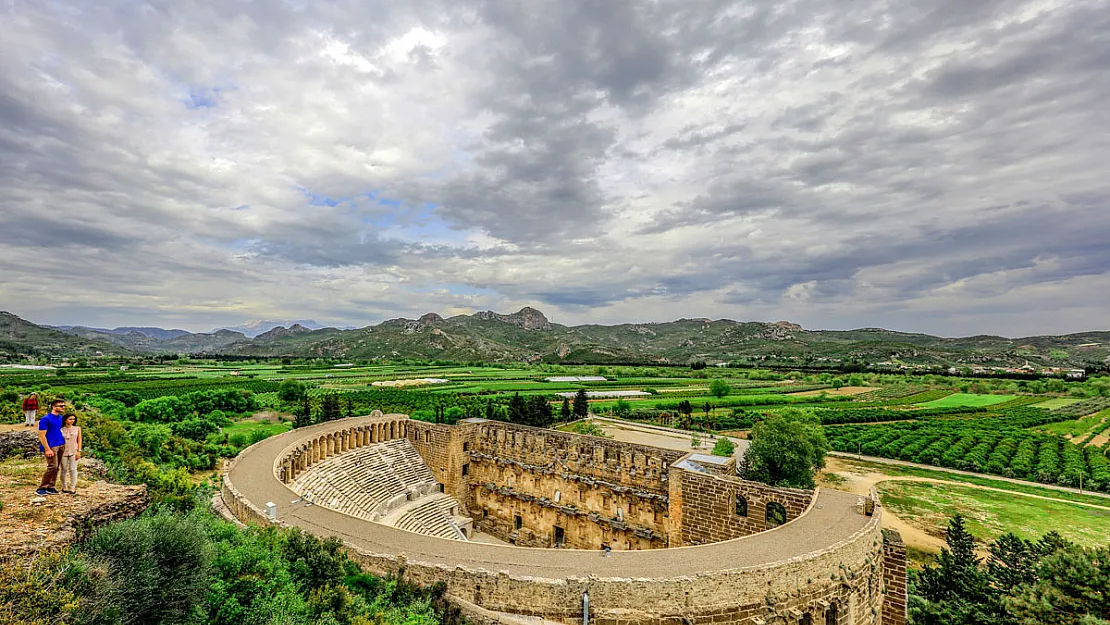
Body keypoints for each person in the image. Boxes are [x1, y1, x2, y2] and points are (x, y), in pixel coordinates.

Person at [36, 399, 66, 496]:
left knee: (56, 467)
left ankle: (51, 486)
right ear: (54, 407)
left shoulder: (61, 418)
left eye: (63, 405)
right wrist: (47, 449)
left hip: (60, 444)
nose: (63, 407)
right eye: (61, 406)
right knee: (52, 466)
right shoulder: (46, 419)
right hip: (51, 445)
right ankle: (42, 487)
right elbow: (41, 435)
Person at [59, 413, 82, 494]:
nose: (72, 421)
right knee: (63, 470)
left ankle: (73, 487)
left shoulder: (77, 428)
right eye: (70, 419)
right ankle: (64, 486)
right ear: (65, 420)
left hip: (74, 450)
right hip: (63, 452)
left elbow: (79, 440)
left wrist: (79, 451)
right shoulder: (60, 429)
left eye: (73, 419)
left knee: (73, 469)